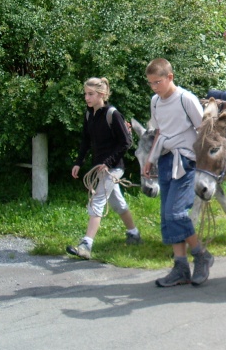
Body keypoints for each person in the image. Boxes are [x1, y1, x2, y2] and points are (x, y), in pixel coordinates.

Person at [142, 58, 214, 287]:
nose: (154, 87)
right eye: (151, 83)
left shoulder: (186, 99)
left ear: (170, 77)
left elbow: (203, 131)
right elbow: (159, 131)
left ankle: (202, 255)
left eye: (158, 82)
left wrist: (204, 166)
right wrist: (150, 160)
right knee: (166, 216)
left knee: (176, 214)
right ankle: (181, 267)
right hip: (165, 160)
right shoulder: (155, 101)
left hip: (185, 162)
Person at [67, 77, 141, 260]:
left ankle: (86, 245)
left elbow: (126, 142)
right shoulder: (89, 114)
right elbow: (85, 140)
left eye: (90, 94)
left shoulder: (112, 114)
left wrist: (108, 163)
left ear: (101, 94)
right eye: (85, 94)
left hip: (113, 168)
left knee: (97, 200)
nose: (86, 98)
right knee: (117, 203)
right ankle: (134, 234)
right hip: (99, 167)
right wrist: (78, 162)